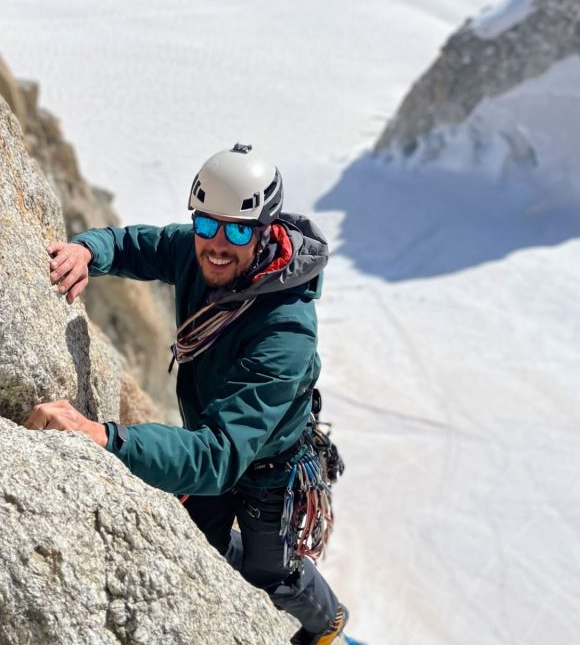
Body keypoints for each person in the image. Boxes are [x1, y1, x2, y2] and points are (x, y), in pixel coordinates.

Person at [26, 144, 349, 645]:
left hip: (269, 465)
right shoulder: (199, 252)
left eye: (238, 230)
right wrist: (87, 249)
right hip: (214, 441)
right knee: (200, 545)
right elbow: (138, 246)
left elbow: (220, 455)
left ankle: (327, 621)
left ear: (265, 234)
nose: (217, 243)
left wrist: (105, 437)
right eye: (208, 225)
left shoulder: (286, 331)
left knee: (272, 575)